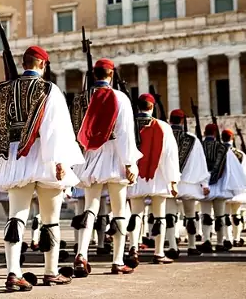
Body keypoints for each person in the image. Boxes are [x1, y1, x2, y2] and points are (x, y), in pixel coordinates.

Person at [0, 45, 84, 291]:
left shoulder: (3, 90)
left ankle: (13, 272)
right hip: (44, 155)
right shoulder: (50, 89)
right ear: (42, 64)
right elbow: (56, 128)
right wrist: (61, 161)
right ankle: (51, 271)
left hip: (16, 157)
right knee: (50, 219)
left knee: (16, 215)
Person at [70, 58, 141, 276]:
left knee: (90, 208)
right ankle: (117, 260)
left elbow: (76, 132)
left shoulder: (81, 99)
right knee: (119, 210)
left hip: (91, 157)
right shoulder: (120, 98)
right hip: (114, 157)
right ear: (111, 75)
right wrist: (130, 163)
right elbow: (125, 134)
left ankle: (81, 254)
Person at [128, 94, 180, 265]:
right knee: (160, 216)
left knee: (136, 214)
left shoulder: (129, 124)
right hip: (158, 177)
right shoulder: (164, 127)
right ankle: (158, 252)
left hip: (135, 176)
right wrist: (173, 180)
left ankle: (133, 248)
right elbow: (170, 156)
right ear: (152, 107)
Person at [164, 109, 209, 258]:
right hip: (188, 184)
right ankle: (191, 245)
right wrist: (204, 183)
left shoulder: (164, 135)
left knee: (169, 215)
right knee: (190, 215)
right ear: (183, 121)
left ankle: (172, 246)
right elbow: (200, 163)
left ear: (170, 120)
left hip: (169, 182)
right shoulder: (192, 139)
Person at [197, 124, 246, 253]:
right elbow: (230, 170)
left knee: (206, 215)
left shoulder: (199, 146)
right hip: (219, 186)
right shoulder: (224, 149)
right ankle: (219, 242)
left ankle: (207, 241)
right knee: (220, 216)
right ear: (215, 134)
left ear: (204, 133)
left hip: (204, 186)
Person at [222, 130, 246, 247]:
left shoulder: (218, 151)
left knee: (225, 215)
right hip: (237, 190)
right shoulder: (240, 154)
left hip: (223, 188)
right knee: (236, 215)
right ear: (232, 139)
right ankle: (236, 238)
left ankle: (228, 239)